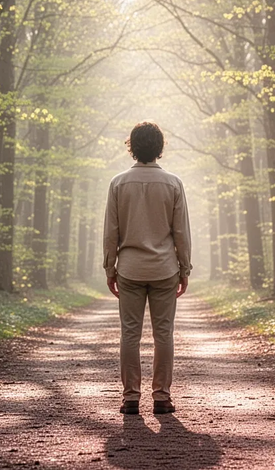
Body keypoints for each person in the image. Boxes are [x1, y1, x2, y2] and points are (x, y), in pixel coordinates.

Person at [103, 121, 192, 416]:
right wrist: (184, 268)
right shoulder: (173, 183)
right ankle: (161, 398)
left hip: (129, 268)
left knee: (129, 334)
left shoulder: (118, 183)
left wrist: (109, 267)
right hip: (165, 269)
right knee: (163, 334)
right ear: (159, 148)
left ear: (132, 147)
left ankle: (130, 398)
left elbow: (111, 232)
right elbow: (181, 232)